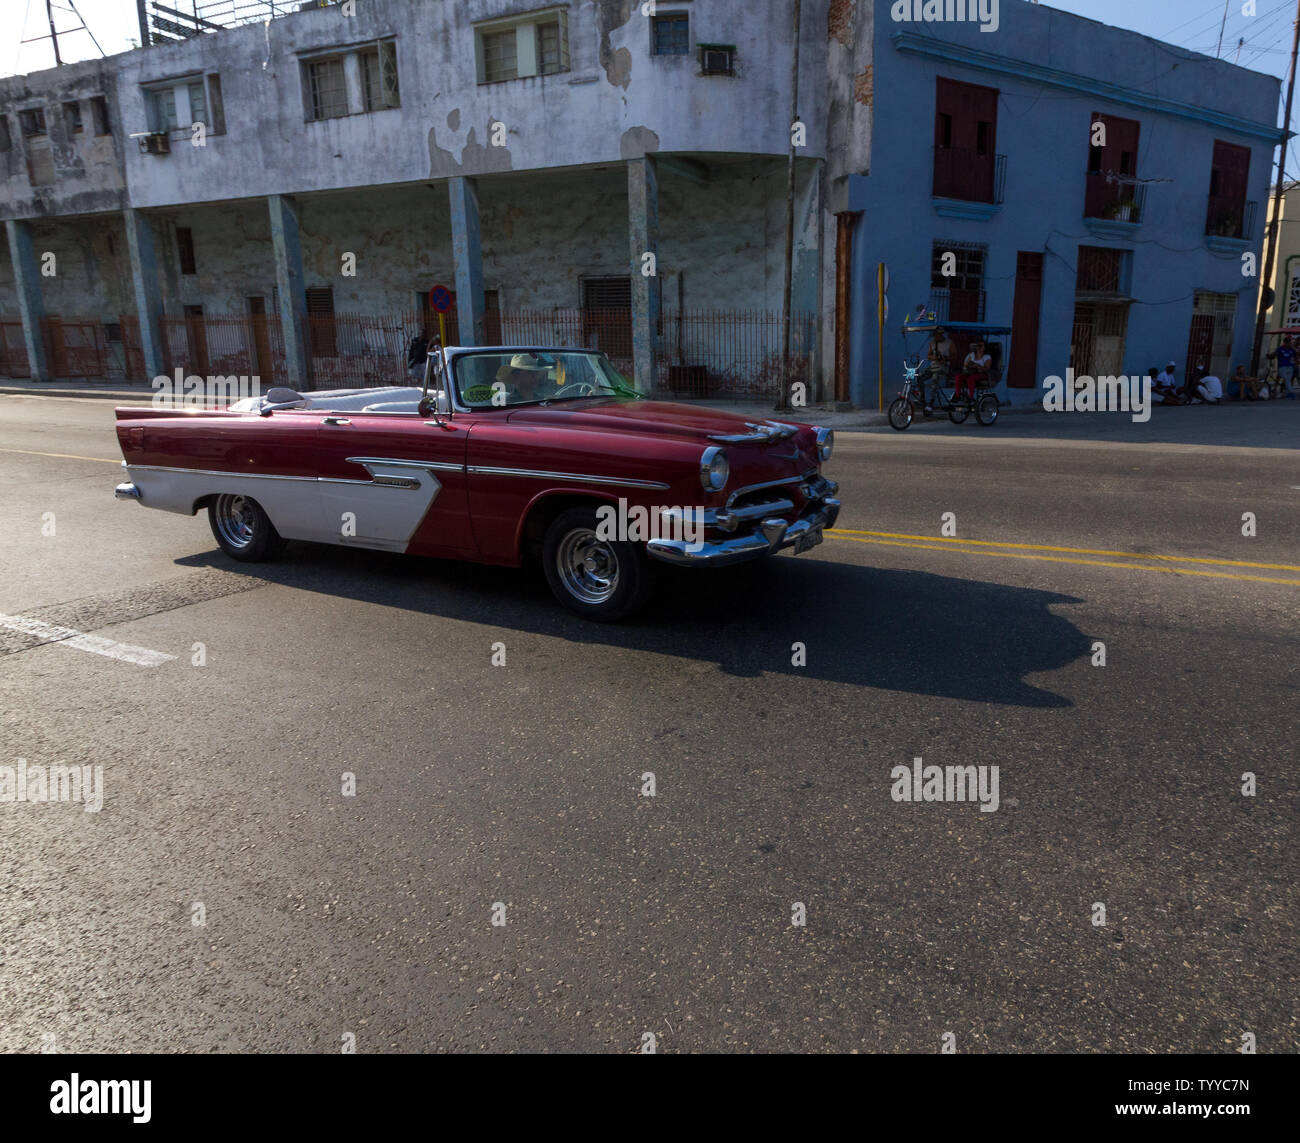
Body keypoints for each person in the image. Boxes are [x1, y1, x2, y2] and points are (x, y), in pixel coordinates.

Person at [952, 337, 991, 405]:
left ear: (985, 347)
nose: (979, 348)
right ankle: (958, 396)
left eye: (981, 346)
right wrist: (970, 365)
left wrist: (977, 366)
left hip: (981, 373)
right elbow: (965, 364)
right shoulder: (972, 355)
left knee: (971, 378)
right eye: (977, 346)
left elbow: (987, 368)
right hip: (970, 372)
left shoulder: (987, 357)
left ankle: (971, 397)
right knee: (958, 377)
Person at [924, 326, 953, 414]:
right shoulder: (932, 343)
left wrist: (945, 358)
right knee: (920, 377)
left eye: (938, 335)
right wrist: (934, 357)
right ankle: (922, 398)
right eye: (935, 335)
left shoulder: (949, 343)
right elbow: (928, 355)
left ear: (941, 334)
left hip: (943, 367)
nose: (936, 337)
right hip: (933, 366)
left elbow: (954, 356)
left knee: (935, 378)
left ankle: (930, 403)